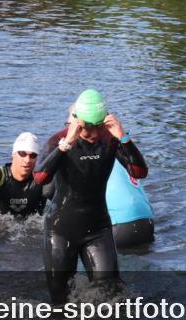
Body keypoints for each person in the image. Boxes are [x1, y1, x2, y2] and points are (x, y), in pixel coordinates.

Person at [34, 90, 148, 304]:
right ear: (77, 121)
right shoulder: (59, 139)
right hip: (60, 230)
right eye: (88, 127)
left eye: (99, 126)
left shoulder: (110, 139)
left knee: (111, 297)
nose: (94, 133)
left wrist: (124, 137)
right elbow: (40, 178)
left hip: (98, 229)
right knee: (60, 303)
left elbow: (139, 172)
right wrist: (67, 143)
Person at [42, 105, 155, 249]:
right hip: (147, 222)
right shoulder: (120, 149)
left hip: (115, 225)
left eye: (71, 125)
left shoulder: (88, 157)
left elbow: (48, 190)